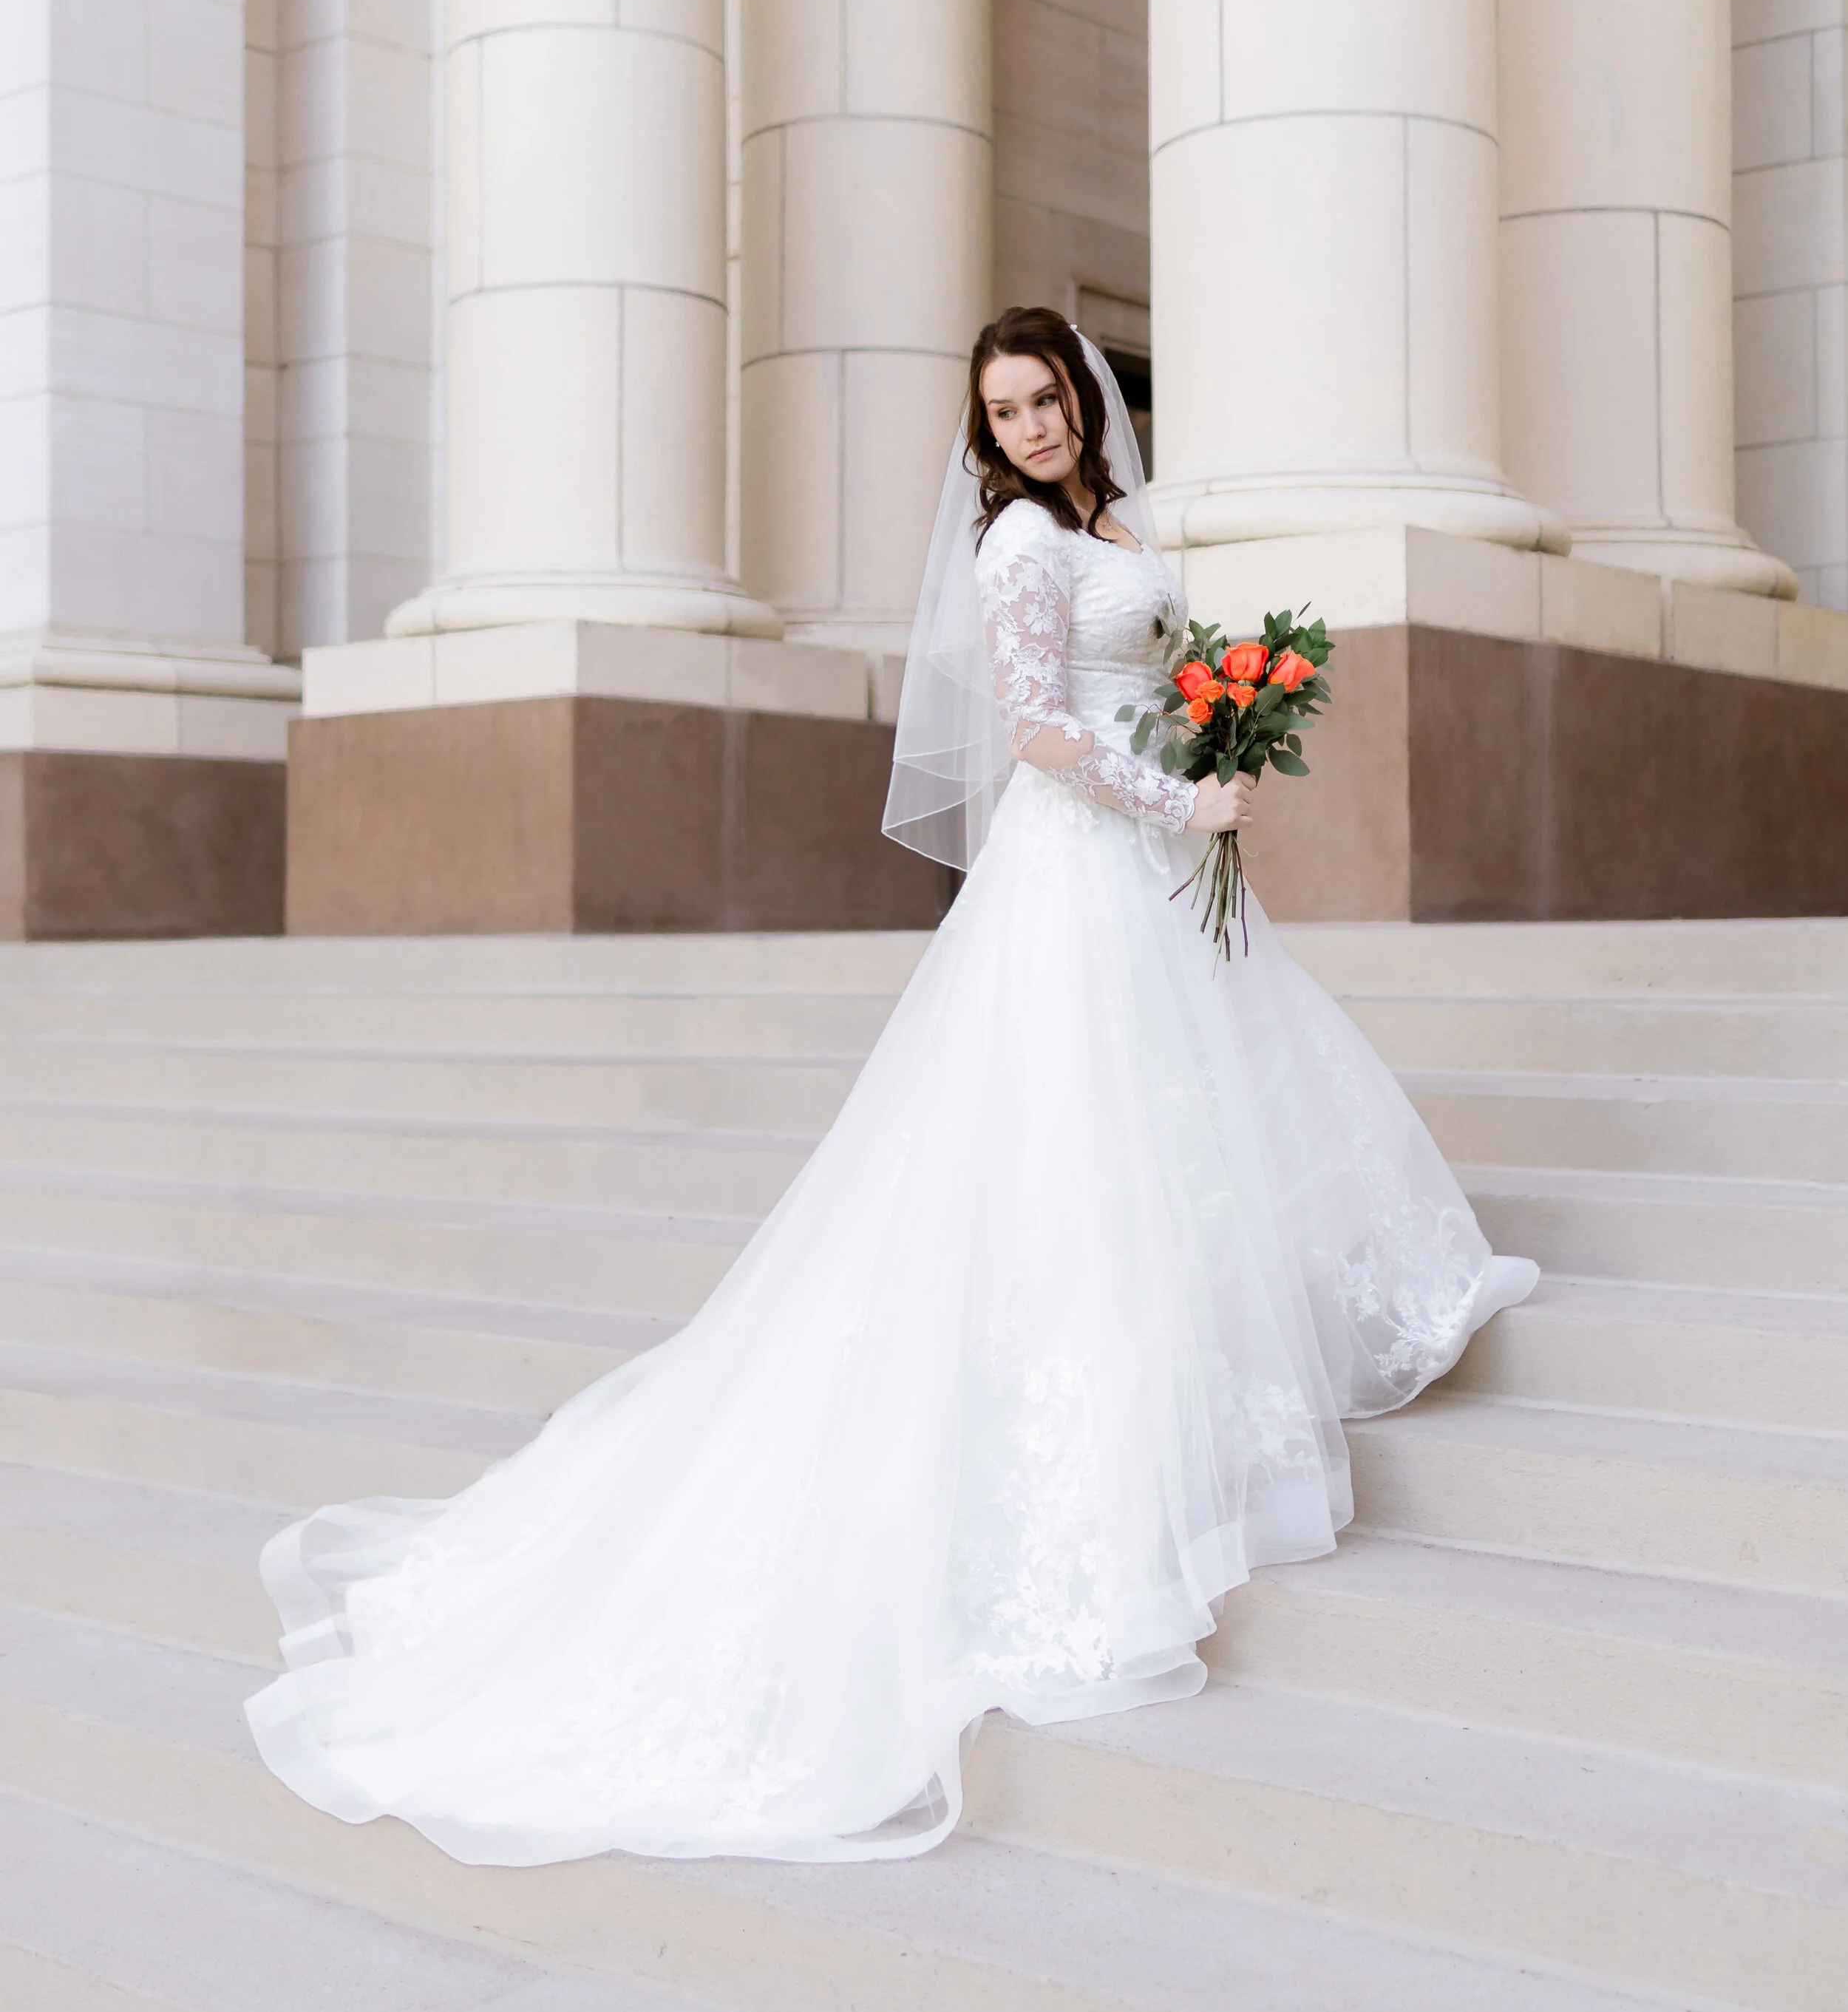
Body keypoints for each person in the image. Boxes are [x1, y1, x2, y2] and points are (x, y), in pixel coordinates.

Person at [246, 305, 1537, 1866]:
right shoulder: (1015, 554)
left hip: (1158, 862)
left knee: (1197, 1113)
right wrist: (1178, 796)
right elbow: (1043, 738)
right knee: (1082, 1143)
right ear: (983, 432)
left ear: (1080, 399)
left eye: (1045, 399)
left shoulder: (1113, 524)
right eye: (1002, 412)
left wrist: (1221, 743)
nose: (1030, 427)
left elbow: (1156, 674)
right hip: (1082, 872)